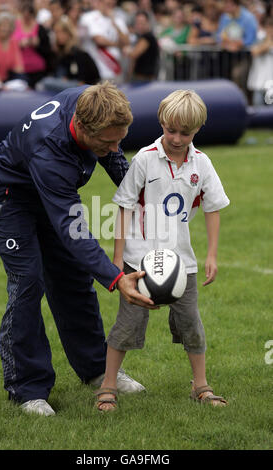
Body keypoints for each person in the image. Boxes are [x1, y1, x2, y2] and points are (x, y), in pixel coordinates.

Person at [0, 81, 156, 417]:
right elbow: (74, 232)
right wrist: (117, 279)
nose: (116, 147)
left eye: (121, 138)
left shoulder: (95, 101)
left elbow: (115, 157)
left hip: (47, 189)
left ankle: (96, 370)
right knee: (28, 280)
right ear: (82, 128)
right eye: (108, 142)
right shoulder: (50, 152)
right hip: (8, 195)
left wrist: (147, 201)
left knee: (73, 278)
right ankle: (26, 388)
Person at [94, 89, 230, 412]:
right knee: (126, 324)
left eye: (186, 132)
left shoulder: (202, 163)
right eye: (171, 130)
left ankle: (201, 386)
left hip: (182, 263)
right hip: (139, 262)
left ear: (197, 131)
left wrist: (211, 254)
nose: (177, 138)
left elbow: (213, 207)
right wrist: (117, 259)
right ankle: (108, 385)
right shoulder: (143, 158)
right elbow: (124, 206)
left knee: (192, 324)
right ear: (161, 122)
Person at [37, 15, 100, 91]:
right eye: (57, 33)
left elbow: (82, 81)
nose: (59, 36)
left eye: (62, 32)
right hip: (66, 85)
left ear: (69, 33)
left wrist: (66, 80)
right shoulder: (59, 53)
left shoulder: (78, 53)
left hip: (82, 87)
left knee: (45, 82)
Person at [79, 0, 130, 82]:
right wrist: (118, 44)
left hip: (116, 69)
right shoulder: (89, 17)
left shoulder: (118, 20)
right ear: (100, 2)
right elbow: (99, 40)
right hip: (97, 70)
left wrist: (115, 24)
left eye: (113, 4)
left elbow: (126, 41)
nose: (110, 7)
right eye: (108, 4)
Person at [217, 0, 258, 96]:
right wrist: (226, 43)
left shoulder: (248, 18)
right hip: (227, 56)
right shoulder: (225, 17)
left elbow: (251, 39)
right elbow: (219, 36)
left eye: (228, 5)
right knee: (227, 80)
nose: (225, 7)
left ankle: (242, 104)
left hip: (244, 56)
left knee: (238, 78)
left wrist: (238, 44)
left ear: (235, 5)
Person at [12, 0, 52, 88]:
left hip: (37, 70)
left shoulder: (40, 28)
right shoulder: (14, 26)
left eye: (29, 16)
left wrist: (37, 45)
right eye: (24, 15)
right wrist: (19, 45)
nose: (26, 18)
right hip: (20, 69)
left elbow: (48, 50)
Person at [123, 10, 159, 82]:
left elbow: (134, 54)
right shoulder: (140, 36)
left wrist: (127, 50)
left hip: (145, 79)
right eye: (137, 23)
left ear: (148, 22)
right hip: (140, 78)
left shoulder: (147, 37)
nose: (139, 25)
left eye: (142, 23)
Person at [247, 17, 273, 105]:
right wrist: (268, 41)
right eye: (268, 27)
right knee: (258, 109)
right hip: (259, 82)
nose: (270, 30)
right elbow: (255, 52)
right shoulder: (259, 38)